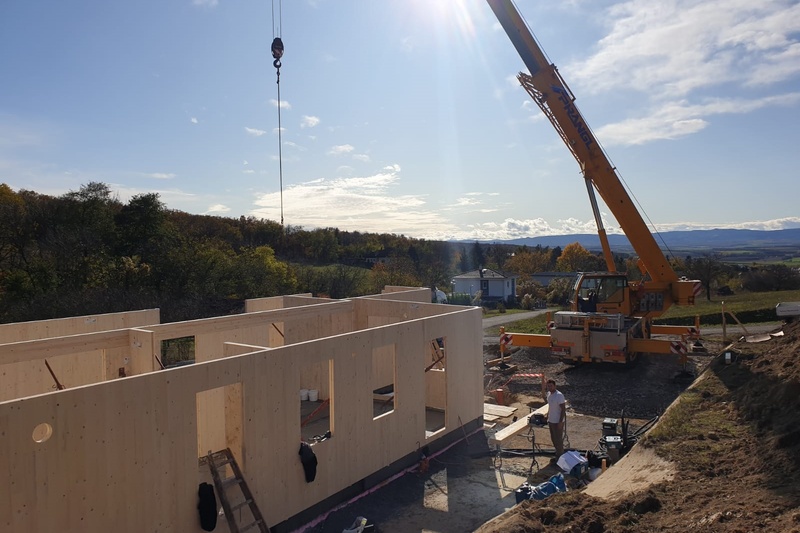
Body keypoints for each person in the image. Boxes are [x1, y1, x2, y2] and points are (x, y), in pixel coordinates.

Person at [545, 379, 566, 459]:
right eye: (548, 386)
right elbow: (550, 407)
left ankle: (561, 455)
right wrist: (547, 416)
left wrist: (560, 422)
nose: (549, 387)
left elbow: (563, 409)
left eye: (551, 386)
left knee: (558, 439)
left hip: (558, 421)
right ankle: (557, 453)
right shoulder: (549, 394)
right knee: (553, 438)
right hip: (551, 420)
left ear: (555, 386)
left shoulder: (559, 395)